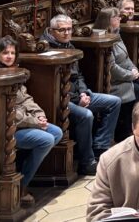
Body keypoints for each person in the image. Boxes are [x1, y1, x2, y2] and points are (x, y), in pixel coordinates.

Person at [40, 14, 121, 176]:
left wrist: (84, 93)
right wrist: (75, 99)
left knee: (114, 101)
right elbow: (53, 85)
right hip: (61, 99)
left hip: (78, 94)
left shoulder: (69, 45)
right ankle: (87, 162)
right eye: (62, 30)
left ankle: (100, 147)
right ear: (51, 30)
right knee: (87, 115)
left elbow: (80, 76)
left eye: (69, 29)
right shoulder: (45, 49)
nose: (66, 33)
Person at [0, 37, 62, 206]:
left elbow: (26, 100)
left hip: (25, 122)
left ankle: (23, 173)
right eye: (5, 53)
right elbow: (8, 111)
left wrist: (39, 115)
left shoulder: (15, 71)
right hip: (6, 128)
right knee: (46, 140)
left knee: (56, 132)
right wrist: (34, 122)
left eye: (12, 53)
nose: (9, 56)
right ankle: (22, 185)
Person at [92, 7, 139, 140]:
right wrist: (130, 75)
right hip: (112, 81)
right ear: (107, 20)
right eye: (116, 17)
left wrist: (134, 69)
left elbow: (126, 57)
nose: (119, 19)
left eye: (118, 17)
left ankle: (137, 125)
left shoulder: (117, 34)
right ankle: (124, 131)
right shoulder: (104, 38)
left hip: (125, 75)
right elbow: (112, 68)